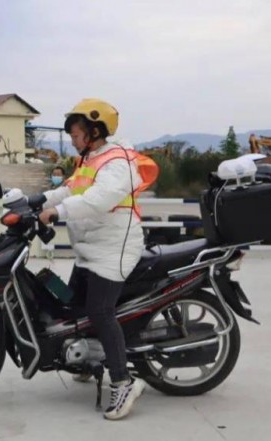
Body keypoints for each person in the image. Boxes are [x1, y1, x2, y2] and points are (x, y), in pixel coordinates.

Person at [37, 98, 157, 420]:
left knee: (100, 311)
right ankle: (88, 359)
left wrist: (56, 213)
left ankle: (123, 381)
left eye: (76, 135)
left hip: (113, 248)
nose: (73, 141)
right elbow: (69, 189)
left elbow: (98, 199)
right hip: (91, 248)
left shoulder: (117, 162)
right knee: (74, 306)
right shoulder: (90, 159)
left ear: (94, 131)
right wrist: (36, 201)